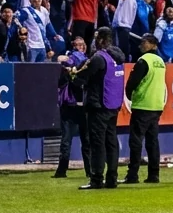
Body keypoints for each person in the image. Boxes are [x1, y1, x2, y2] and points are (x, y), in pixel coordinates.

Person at [71, 27, 125, 189]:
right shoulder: (118, 57)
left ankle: (96, 179)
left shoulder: (98, 58)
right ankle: (112, 178)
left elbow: (80, 78)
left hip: (98, 105)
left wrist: (73, 73)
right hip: (113, 105)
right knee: (111, 142)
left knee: (97, 143)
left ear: (100, 40)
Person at [124, 34, 167, 184]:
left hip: (142, 105)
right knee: (152, 142)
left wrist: (129, 95)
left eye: (144, 42)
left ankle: (132, 174)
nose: (141, 45)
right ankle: (154, 174)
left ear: (153, 44)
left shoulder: (143, 61)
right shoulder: (161, 62)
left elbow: (132, 82)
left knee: (136, 141)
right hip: (156, 105)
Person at [54, 37, 89, 179]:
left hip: (75, 105)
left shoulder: (85, 60)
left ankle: (63, 171)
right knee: (74, 140)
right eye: (78, 45)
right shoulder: (76, 58)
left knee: (74, 139)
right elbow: (61, 60)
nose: (80, 47)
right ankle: (88, 170)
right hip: (73, 104)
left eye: (82, 44)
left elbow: (62, 60)